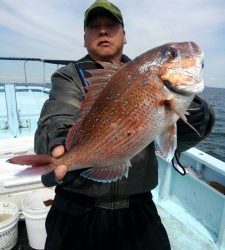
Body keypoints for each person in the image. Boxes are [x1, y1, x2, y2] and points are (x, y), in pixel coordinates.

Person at [34, 0, 215, 249]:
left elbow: (175, 143)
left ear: (125, 35)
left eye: (111, 25)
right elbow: (57, 115)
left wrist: (196, 112)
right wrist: (58, 142)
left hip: (138, 209)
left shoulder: (144, 75)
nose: (103, 30)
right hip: (76, 209)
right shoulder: (69, 76)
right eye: (94, 26)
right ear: (84, 37)